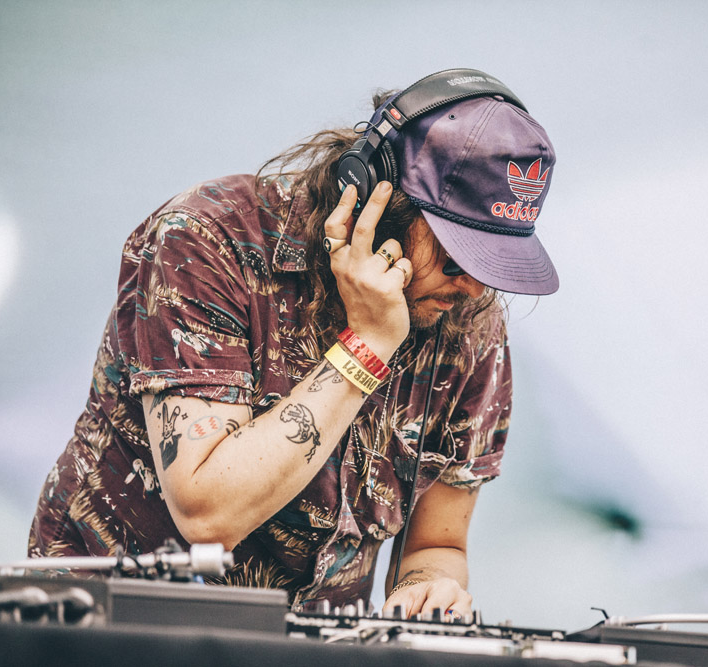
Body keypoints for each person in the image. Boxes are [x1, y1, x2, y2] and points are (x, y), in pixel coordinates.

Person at [28, 69, 558, 619]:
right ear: (378, 199)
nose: (474, 286)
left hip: (305, 644)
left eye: (492, 264)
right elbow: (208, 513)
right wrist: (368, 344)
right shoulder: (208, 243)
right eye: (456, 256)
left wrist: (427, 587)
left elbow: (437, 544)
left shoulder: (467, 320)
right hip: (105, 626)